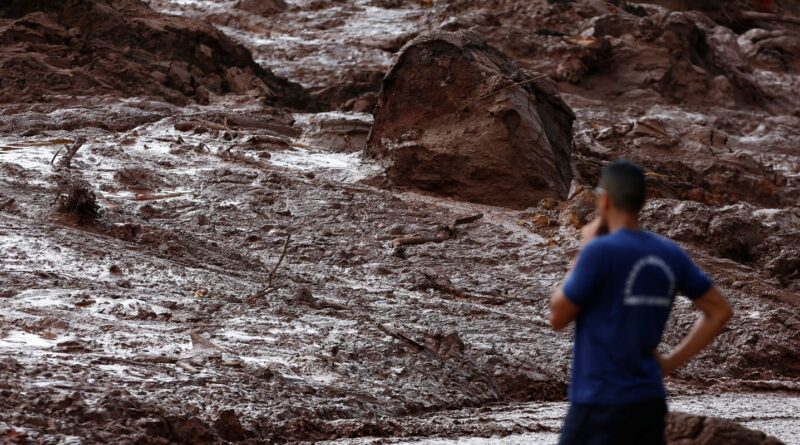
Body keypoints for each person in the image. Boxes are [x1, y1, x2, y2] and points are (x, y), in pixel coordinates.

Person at [549, 160, 734, 445]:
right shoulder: (670, 254)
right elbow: (720, 311)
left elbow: (558, 317)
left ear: (605, 199)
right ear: (642, 201)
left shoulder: (599, 251)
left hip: (598, 401)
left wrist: (584, 250)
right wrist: (671, 362)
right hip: (648, 402)